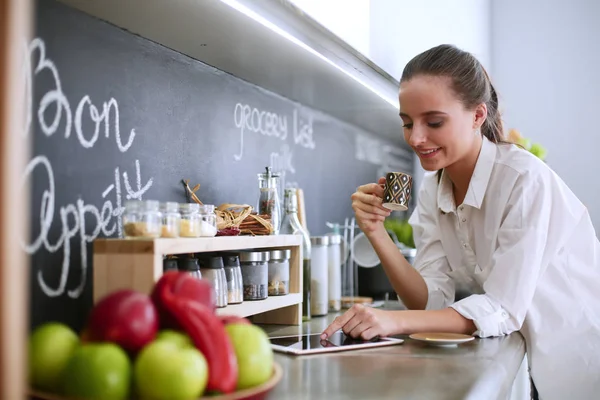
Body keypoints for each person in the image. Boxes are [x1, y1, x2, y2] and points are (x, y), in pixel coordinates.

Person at [321, 44, 600, 400]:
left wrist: (392, 320)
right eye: (407, 123)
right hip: (532, 365)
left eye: (433, 122)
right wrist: (376, 232)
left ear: (477, 115)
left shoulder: (524, 180)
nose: (416, 138)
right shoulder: (434, 189)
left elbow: (501, 307)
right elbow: (429, 299)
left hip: (583, 360)